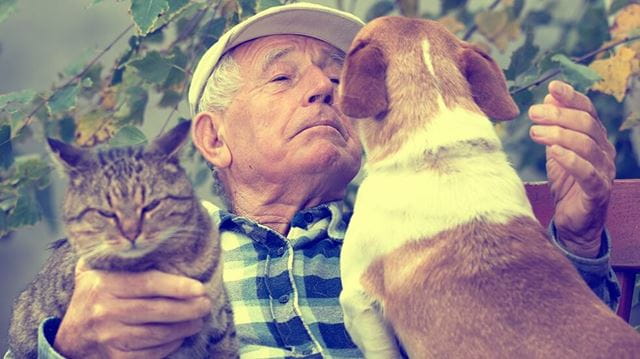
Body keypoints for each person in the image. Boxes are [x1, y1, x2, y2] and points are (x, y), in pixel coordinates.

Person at [19, 2, 619, 358]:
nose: (325, 88)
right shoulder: (159, 255)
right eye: (282, 79)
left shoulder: (419, 245)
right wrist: (71, 346)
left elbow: (549, 340)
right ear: (213, 138)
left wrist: (581, 237)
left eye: (341, 76)